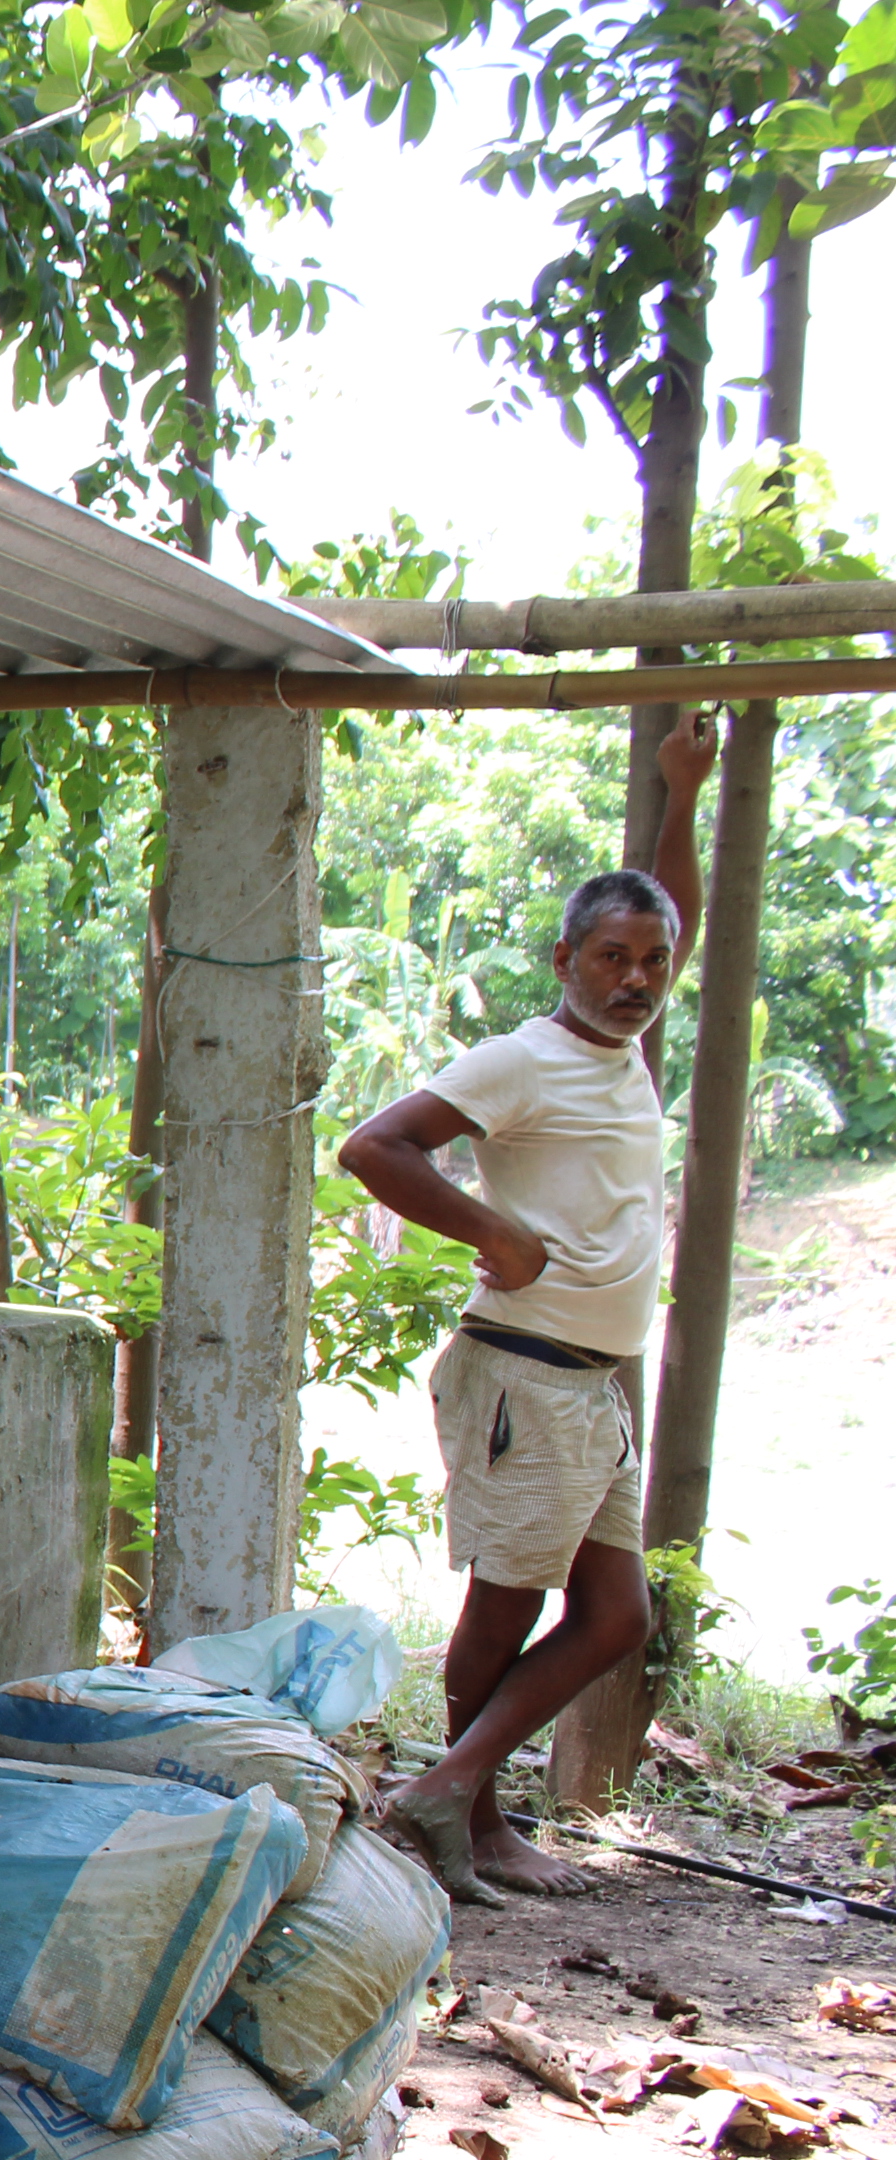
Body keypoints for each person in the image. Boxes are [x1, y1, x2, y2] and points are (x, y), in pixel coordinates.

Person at [336, 717, 720, 1906]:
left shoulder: (626, 1054)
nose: (639, 978)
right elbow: (374, 1146)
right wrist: (487, 1230)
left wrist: (680, 793)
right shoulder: (526, 1058)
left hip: (589, 1377)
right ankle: (468, 1813)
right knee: (506, 1600)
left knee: (615, 1614)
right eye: (612, 957)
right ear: (565, 961)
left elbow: (679, 914)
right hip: (524, 1366)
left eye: (651, 962)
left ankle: (455, 1791)